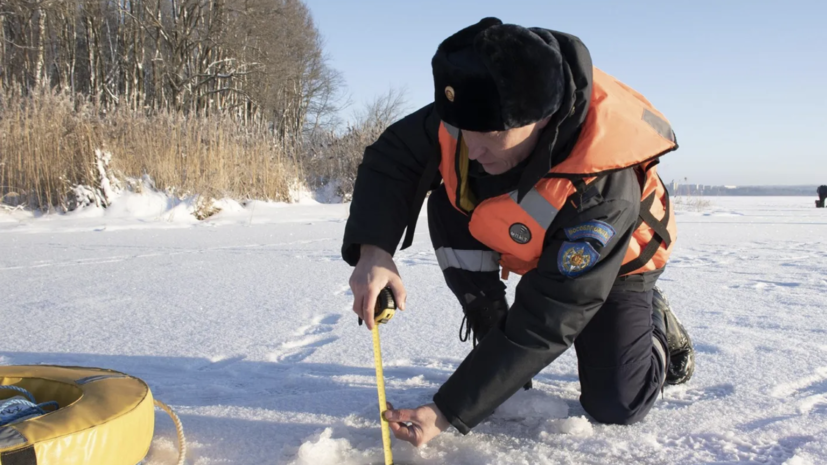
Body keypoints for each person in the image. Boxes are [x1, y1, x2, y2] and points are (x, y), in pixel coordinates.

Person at [342, 17, 695, 447]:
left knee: (616, 403)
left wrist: (447, 411)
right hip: (523, 232)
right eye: (464, 132)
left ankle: (654, 329)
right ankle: (491, 330)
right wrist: (374, 249)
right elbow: (394, 156)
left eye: (491, 135)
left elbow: (549, 317)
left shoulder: (602, 187)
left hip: (616, 262)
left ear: (541, 118)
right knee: (450, 199)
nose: (472, 148)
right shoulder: (472, 106)